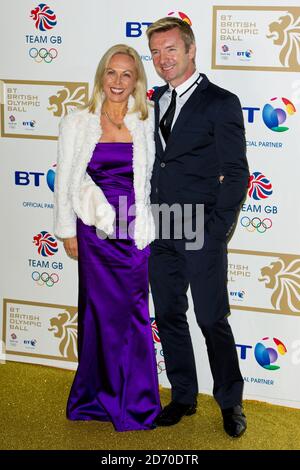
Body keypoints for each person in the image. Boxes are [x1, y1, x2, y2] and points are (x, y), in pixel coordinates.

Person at [147, 17, 249, 437]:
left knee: (211, 319)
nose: (163, 59)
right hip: (159, 225)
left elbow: (236, 172)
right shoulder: (150, 101)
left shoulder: (221, 102)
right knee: (169, 316)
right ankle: (183, 396)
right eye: (155, 52)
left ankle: (230, 402)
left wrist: (215, 229)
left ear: (190, 50)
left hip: (199, 227)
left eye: (171, 49)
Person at [53, 44, 161, 432]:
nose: (118, 81)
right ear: (101, 76)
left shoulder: (143, 121)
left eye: (126, 74)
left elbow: (148, 181)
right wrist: (67, 230)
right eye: (112, 73)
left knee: (132, 313)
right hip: (95, 231)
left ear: (136, 82)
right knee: (97, 314)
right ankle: (94, 399)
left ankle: (136, 402)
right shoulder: (78, 122)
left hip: (132, 229)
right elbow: (66, 180)